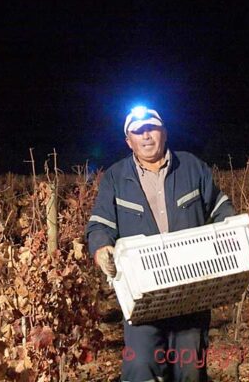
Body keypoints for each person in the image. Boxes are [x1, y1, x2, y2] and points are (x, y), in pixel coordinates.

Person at [86, 106, 235, 382]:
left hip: (192, 290)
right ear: (128, 140)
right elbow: (99, 226)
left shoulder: (192, 166)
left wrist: (229, 230)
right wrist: (101, 248)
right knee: (141, 366)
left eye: (151, 129)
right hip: (143, 296)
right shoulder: (116, 178)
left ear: (164, 133)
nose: (146, 136)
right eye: (137, 132)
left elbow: (220, 208)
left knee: (189, 370)